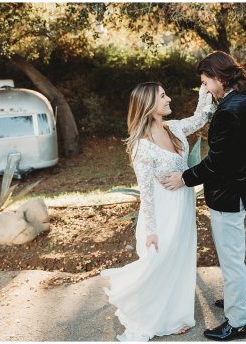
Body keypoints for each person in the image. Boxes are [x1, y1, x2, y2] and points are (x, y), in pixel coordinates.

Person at [161, 51, 246, 341]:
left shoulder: (229, 112)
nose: (205, 88)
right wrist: (210, 104)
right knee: (233, 253)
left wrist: (184, 178)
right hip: (242, 187)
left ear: (219, 77)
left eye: (206, 82)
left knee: (230, 259)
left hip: (227, 195)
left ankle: (239, 322)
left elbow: (217, 162)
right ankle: (240, 295)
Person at [101, 81, 213, 341]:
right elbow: (145, 192)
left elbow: (199, 119)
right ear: (149, 104)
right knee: (162, 260)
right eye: (163, 96)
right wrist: (150, 230)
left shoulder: (173, 128)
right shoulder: (142, 146)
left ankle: (177, 315)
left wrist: (205, 93)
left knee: (181, 258)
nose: (169, 99)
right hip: (163, 211)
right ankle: (158, 316)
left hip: (183, 204)